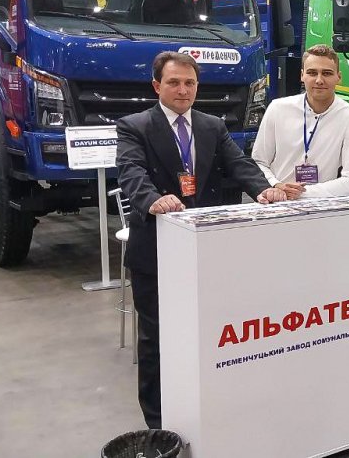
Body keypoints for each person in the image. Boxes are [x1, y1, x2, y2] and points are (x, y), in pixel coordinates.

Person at [116, 51, 286, 429]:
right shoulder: (134, 126)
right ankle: (158, 423)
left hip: (206, 251)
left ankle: (205, 407)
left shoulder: (212, 126)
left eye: (189, 83)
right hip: (156, 253)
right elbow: (130, 172)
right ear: (157, 86)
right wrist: (151, 199)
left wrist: (263, 189)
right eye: (174, 82)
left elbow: (239, 164)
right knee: (157, 338)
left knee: (209, 333)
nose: (183, 90)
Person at [252, 44, 349, 199]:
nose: (319, 80)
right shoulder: (278, 109)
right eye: (312, 73)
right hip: (277, 202)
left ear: (338, 77)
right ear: (302, 75)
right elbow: (258, 162)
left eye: (327, 73)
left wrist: (298, 194)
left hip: (322, 207)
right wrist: (275, 186)